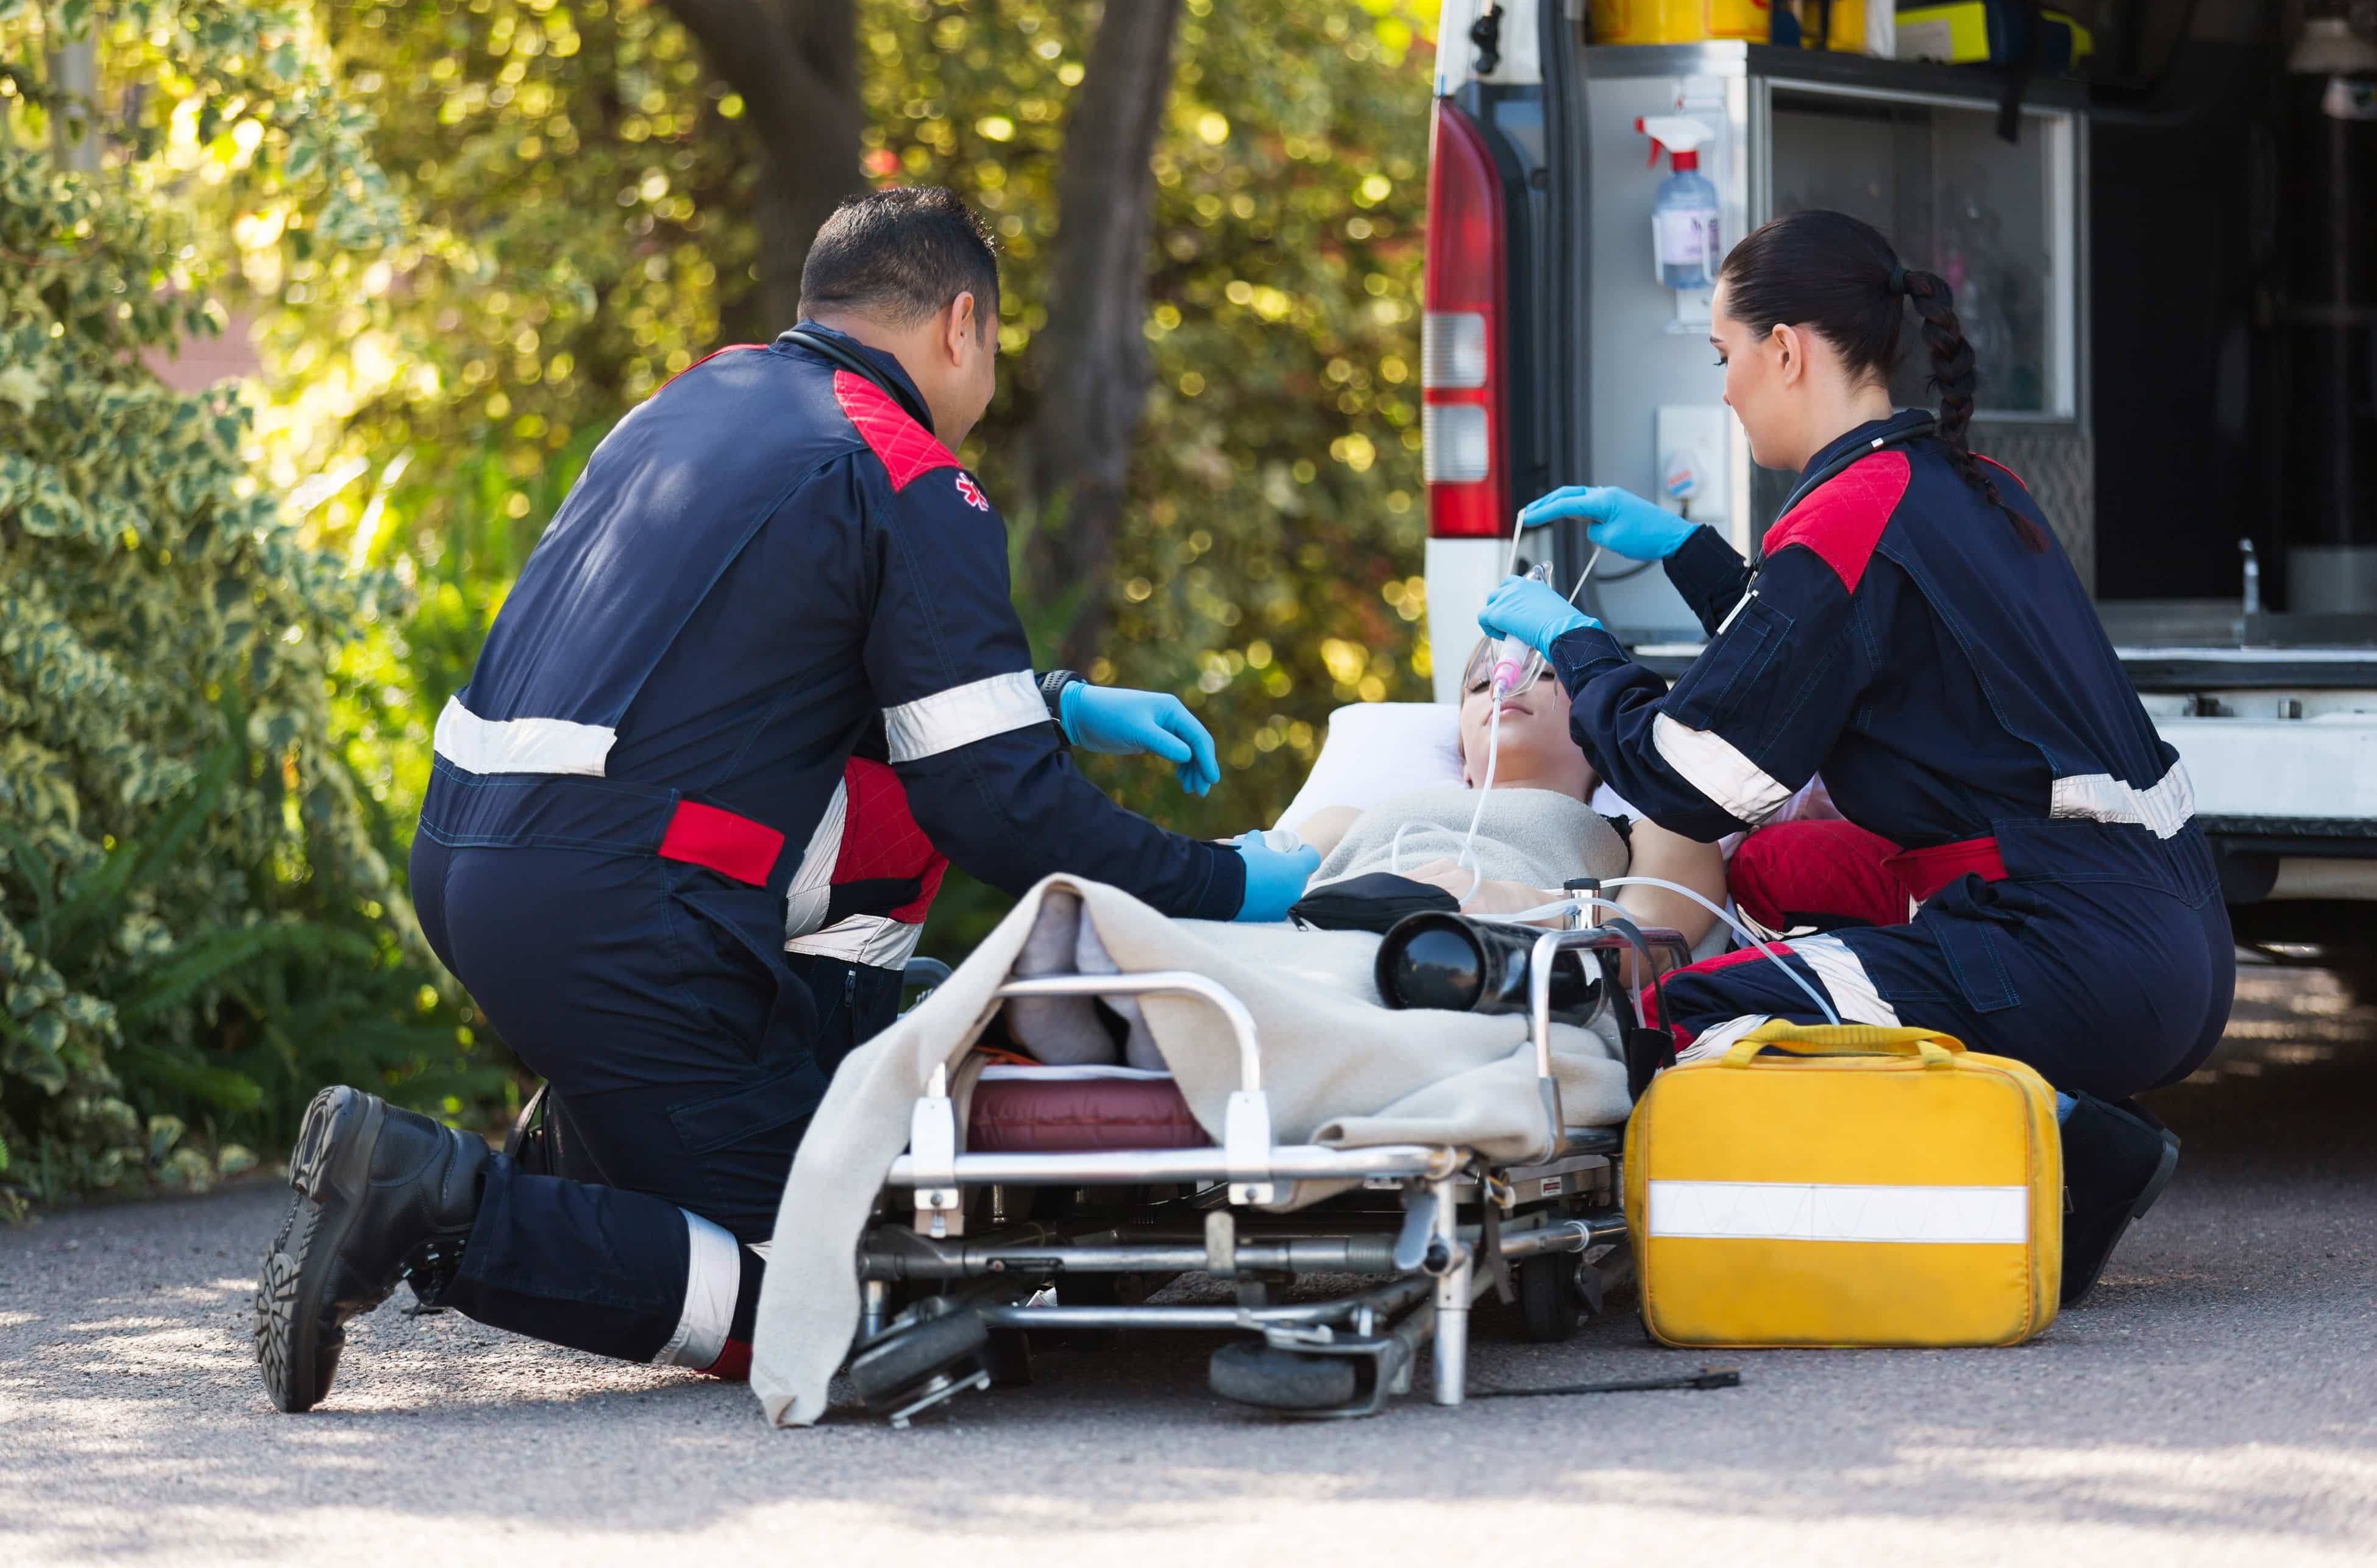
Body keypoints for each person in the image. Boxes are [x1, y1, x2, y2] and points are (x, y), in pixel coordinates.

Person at [253, 187, 1321, 1412]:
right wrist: (1233, 882)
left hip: (481, 862)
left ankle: (598, 1142)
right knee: (873, 1296)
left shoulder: (701, 402)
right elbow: (1001, 812)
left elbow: (761, 672)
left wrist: (1056, 700)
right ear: (961, 324)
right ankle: (436, 1205)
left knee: (844, 952)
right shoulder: (912, 475)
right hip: (618, 914)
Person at [1474, 210, 2233, 1304]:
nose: (1727, 388)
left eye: (1725, 356)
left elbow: (1693, 776)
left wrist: (1576, 646)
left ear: (1785, 351)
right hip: (2169, 938)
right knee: (1784, 877)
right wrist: (1690, 554)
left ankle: (2060, 1146)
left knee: (1697, 1014)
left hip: (2077, 955)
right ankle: (2066, 1134)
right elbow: (1832, 645)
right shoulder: (1969, 484)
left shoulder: (1850, 513)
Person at [1293, 634, 1727, 945]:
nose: (1509, 685)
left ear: (1600, 739)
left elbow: (1652, 945)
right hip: (1309, 956)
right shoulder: (1342, 821)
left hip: (1479, 974)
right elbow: (1243, 886)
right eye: (1481, 686)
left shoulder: (1660, 832)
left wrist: (1522, 904)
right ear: (1463, 761)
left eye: (1544, 675)